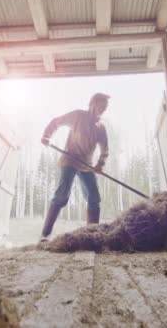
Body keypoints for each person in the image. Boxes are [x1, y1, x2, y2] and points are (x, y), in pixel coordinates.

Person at [39, 93, 110, 242]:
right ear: (92, 103)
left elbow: (105, 150)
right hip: (70, 160)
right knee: (62, 195)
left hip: (87, 165)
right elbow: (56, 122)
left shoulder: (100, 127)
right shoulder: (78, 115)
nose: (103, 109)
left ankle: (92, 236)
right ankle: (45, 235)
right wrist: (47, 135)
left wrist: (100, 165)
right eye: (101, 106)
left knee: (94, 198)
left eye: (105, 107)